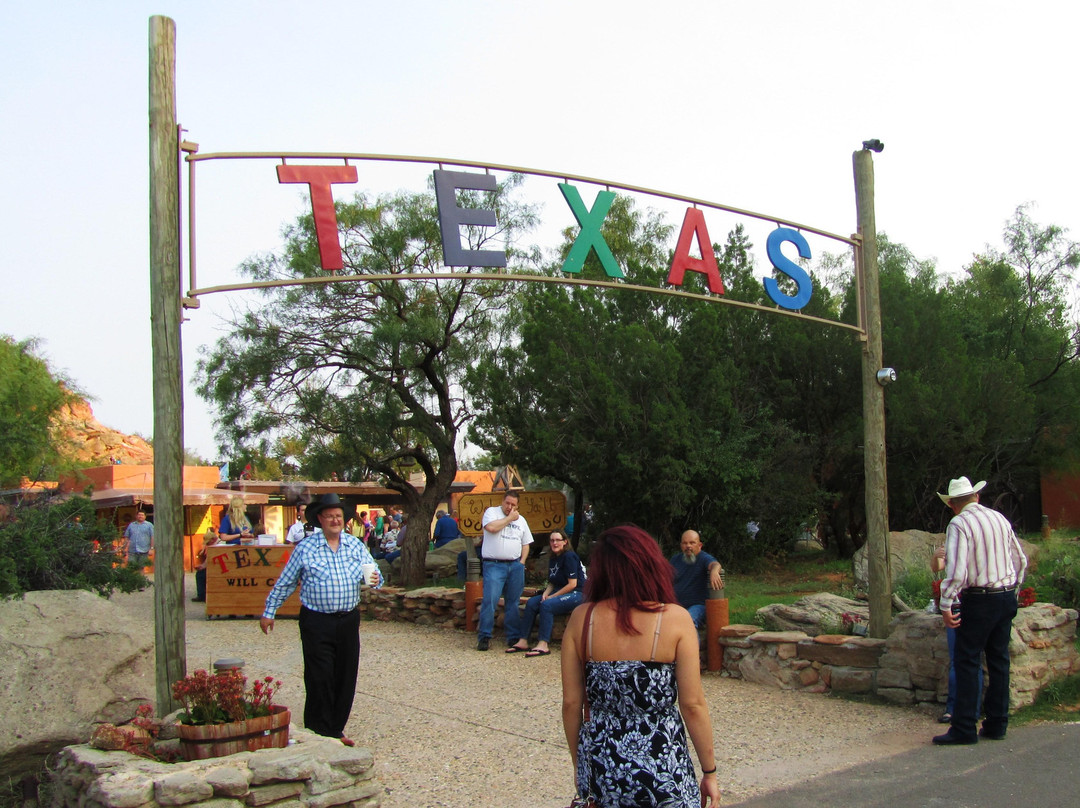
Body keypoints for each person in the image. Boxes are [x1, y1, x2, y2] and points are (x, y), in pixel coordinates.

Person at [561, 525, 719, 807]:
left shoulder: (582, 619)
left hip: (602, 768)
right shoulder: (675, 620)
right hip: (664, 770)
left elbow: (572, 703)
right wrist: (709, 772)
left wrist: (581, 767)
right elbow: (693, 705)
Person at [260, 492, 382, 746]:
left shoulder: (355, 545)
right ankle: (317, 732)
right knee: (319, 676)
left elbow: (374, 573)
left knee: (345, 676)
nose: (335, 520)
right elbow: (286, 581)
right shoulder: (305, 548)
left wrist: (376, 580)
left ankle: (336, 730)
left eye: (338, 516)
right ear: (320, 519)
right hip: (317, 621)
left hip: (348, 619)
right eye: (330, 516)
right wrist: (269, 611)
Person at [932, 476, 1028, 746]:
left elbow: (957, 570)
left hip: (979, 598)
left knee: (967, 660)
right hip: (1005, 593)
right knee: (999, 660)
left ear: (952, 504)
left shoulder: (959, 523)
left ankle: (963, 727)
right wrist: (1014, 590)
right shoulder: (999, 518)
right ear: (976, 496)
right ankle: (997, 723)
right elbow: (1020, 559)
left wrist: (946, 603)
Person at [508, 531, 584, 657]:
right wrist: (546, 594)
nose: (554, 543)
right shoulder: (553, 558)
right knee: (532, 603)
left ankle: (543, 644)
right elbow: (552, 582)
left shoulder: (569, 557)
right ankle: (523, 641)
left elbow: (572, 584)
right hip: (558, 591)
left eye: (558, 540)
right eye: (552, 540)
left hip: (576, 593)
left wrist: (552, 597)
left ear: (565, 542)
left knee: (547, 605)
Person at [930, 545, 982, 724]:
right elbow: (938, 567)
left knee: (973, 659)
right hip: (955, 606)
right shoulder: (954, 541)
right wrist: (936, 556)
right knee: (957, 659)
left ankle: (972, 710)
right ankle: (953, 708)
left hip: (975, 603)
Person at [477, 491, 533, 651]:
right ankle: (484, 636)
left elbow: (526, 543)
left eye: (513, 505)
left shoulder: (521, 521)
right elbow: (491, 528)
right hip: (494, 564)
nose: (509, 507)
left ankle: (513, 637)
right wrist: (509, 519)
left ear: (517, 505)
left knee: (513, 603)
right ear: (503, 501)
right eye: (507, 503)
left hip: (515, 565)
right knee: (490, 601)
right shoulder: (491, 513)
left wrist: (522, 562)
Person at [670, 530, 723, 628]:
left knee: (688, 621)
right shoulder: (675, 560)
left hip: (698, 606)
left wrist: (714, 571)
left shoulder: (703, 558)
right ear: (681, 545)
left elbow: (715, 564)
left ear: (699, 545)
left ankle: (692, 644)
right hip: (677, 605)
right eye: (685, 543)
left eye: (692, 543)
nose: (688, 546)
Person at [192, 526, 220, 602]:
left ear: (213, 539)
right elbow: (208, 558)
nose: (207, 544)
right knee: (201, 573)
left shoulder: (219, 545)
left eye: (208, 542)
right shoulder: (213, 545)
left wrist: (204, 566)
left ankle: (202, 596)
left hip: (218, 568)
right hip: (214, 566)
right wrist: (202, 566)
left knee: (200, 575)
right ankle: (203, 595)